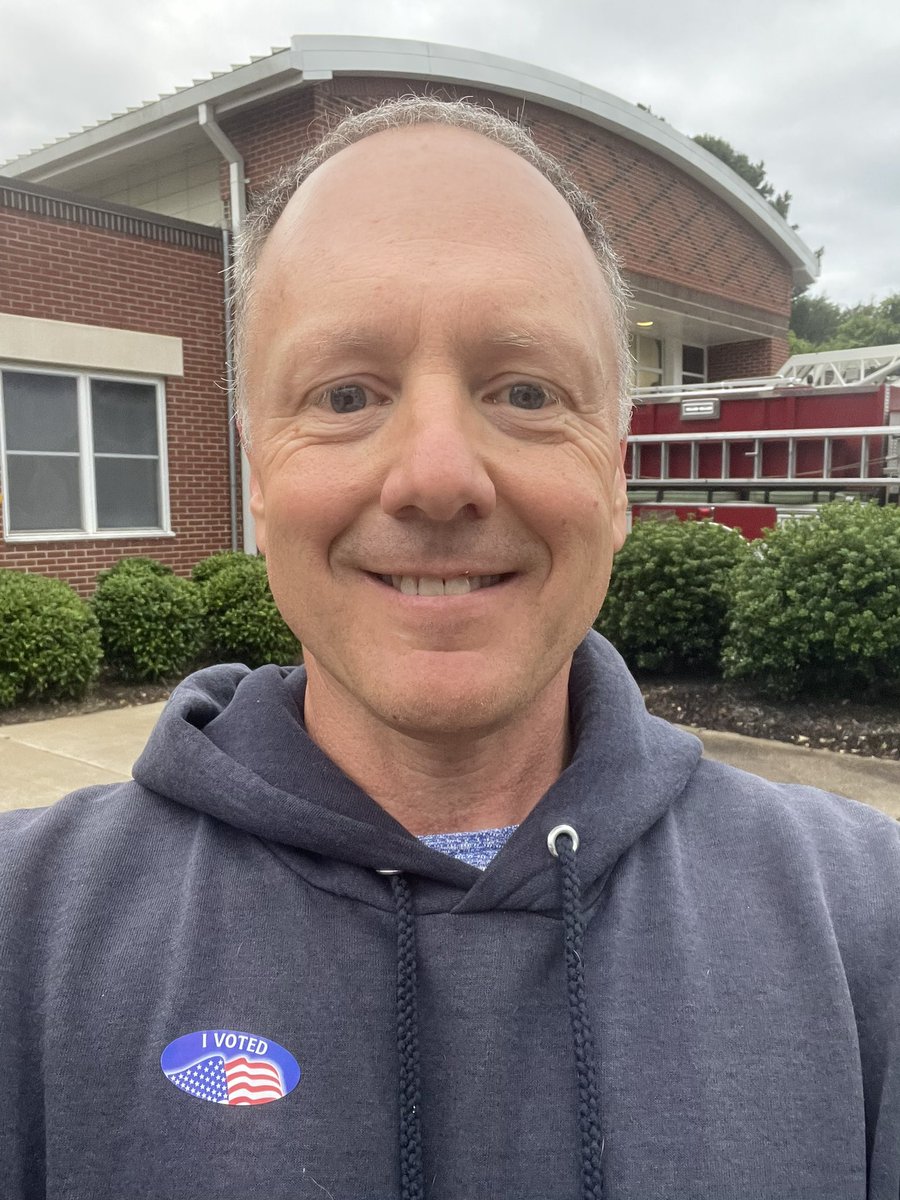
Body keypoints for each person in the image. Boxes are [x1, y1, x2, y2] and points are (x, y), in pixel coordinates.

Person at [1, 97, 898, 1200]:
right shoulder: (23, 942)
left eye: (525, 392)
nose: (435, 476)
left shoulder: (872, 931)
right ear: (259, 478)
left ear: (615, 473)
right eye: (344, 394)